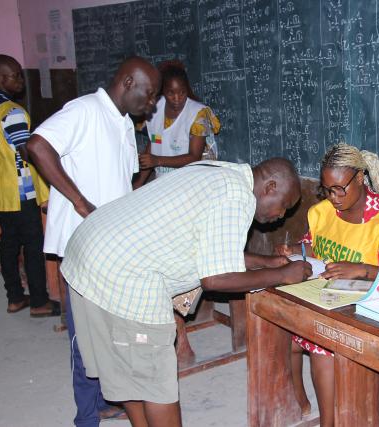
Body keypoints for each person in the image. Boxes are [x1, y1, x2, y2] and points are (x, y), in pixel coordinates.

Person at [60, 157, 311, 427]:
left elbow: (211, 249)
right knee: (156, 382)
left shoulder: (220, 171)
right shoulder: (236, 196)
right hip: (124, 275)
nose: (281, 216)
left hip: (90, 252)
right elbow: (216, 279)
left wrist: (266, 262)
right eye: (284, 206)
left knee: (129, 371)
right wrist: (283, 275)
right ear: (270, 187)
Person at [26, 56, 161, 427]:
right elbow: (38, 145)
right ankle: (86, 416)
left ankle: (103, 400)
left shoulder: (123, 123)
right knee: (82, 335)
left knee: (107, 331)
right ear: (128, 83)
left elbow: (123, 181)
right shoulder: (85, 110)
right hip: (83, 245)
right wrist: (81, 202)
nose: (151, 105)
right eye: (149, 96)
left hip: (110, 247)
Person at [275, 143, 379, 426]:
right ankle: (299, 401)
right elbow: (315, 247)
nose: (335, 197)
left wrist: (362, 271)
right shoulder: (322, 212)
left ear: (361, 178)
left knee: (320, 342)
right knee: (281, 326)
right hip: (328, 299)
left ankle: (329, 421)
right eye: (328, 189)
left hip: (370, 306)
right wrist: (296, 250)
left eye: (341, 188)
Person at [132, 60, 221, 368]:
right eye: (169, 93)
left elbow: (194, 157)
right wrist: (136, 188)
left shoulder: (198, 114)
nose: (176, 98)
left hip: (192, 193)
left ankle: (180, 332)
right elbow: (149, 159)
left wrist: (155, 160)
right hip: (162, 195)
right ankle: (175, 331)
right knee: (162, 265)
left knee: (184, 266)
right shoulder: (152, 112)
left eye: (181, 92)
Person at [0, 54, 58, 317]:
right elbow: (28, 153)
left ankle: (15, 297)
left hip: (0, 193)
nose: (20, 79)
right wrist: (48, 186)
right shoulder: (13, 113)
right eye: (15, 75)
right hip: (21, 193)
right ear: (0, 78)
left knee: (9, 245)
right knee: (34, 245)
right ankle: (39, 301)